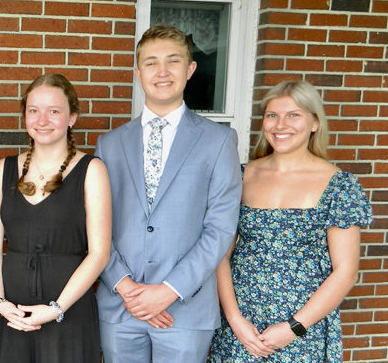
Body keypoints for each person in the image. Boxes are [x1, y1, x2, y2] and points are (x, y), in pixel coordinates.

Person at [94, 24, 242, 363]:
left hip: (185, 309)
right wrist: (128, 290)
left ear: (190, 70)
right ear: (137, 72)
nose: (162, 72)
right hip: (121, 306)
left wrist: (167, 291)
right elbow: (96, 223)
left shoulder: (218, 141)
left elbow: (220, 228)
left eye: (173, 61)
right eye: (151, 62)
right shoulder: (110, 143)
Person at [209, 81, 372, 362]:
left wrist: (294, 327)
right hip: (241, 326)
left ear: (314, 123)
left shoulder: (340, 186)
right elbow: (220, 255)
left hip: (303, 328)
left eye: (293, 115)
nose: (280, 125)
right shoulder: (240, 176)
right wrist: (234, 320)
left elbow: (345, 272)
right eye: (272, 115)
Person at [0, 73, 111, 362]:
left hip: (69, 309)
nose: (42, 120)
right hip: (13, 311)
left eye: (54, 111)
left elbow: (100, 253)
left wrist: (56, 308)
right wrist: (0, 302)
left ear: (72, 117)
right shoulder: (2, 170)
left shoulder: (92, 170)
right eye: (33, 111)